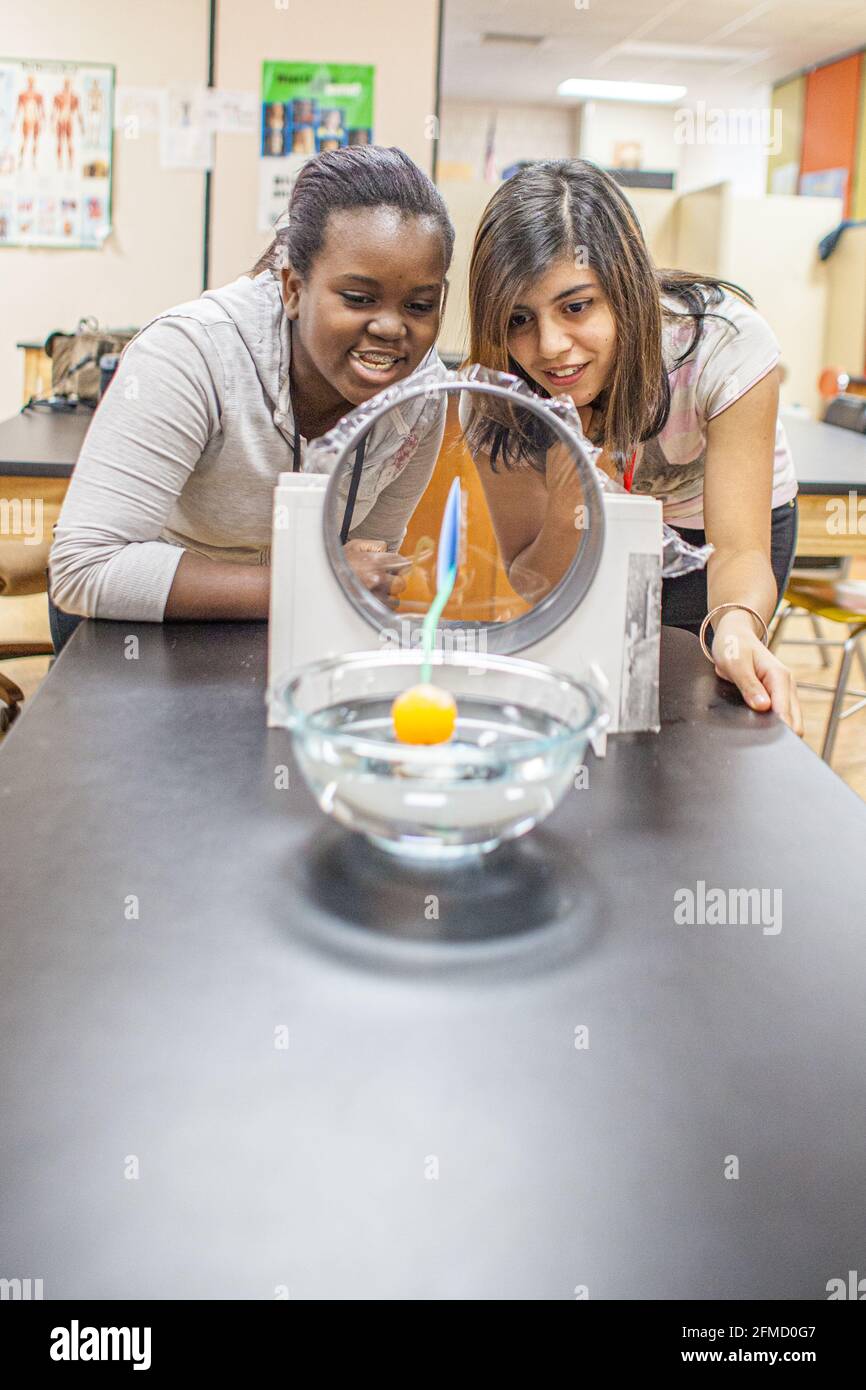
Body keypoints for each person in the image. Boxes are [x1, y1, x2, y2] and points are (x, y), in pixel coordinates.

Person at [49, 145, 454, 648]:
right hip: (139, 632)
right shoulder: (193, 352)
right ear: (293, 288)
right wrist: (306, 585)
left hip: (279, 631)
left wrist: (327, 591)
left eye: (419, 305)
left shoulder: (421, 395)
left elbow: (365, 561)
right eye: (358, 298)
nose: (392, 327)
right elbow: (84, 569)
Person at [462, 158, 802, 733]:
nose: (549, 348)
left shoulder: (723, 344)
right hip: (597, 529)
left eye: (576, 306)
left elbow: (739, 552)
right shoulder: (497, 395)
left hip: (712, 532)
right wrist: (572, 497)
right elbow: (530, 579)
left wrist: (738, 627)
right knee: (597, 694)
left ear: (626, 284)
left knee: (697, 709)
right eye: (519, 318)